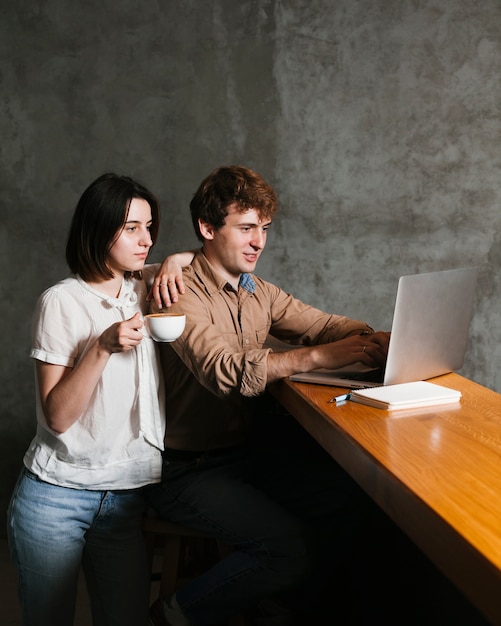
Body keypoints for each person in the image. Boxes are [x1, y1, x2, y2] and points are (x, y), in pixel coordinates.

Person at [146, 165, 390, 626]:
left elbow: (320, 324)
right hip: (186, 473)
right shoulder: (174, 290)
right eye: (245, 228)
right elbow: (224, 372)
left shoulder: (255, 289)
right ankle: (175, 612)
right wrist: (321, 357)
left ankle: (280, 607)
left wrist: (373, 338)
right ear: (206, 228)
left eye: (264, 228)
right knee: (288, 547)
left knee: (350, 504)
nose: (259, 241)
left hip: (247, 458)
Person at [6, 173, 184, 626]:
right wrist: (101, 346)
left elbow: (197, 261)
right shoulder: (61, 302)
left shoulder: (142, 289)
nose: (145, 240)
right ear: (98, 228)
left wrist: (177, 260)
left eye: (149, 226)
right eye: (131, 228)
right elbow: (59, 417)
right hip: (56, 498)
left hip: (125, 498)